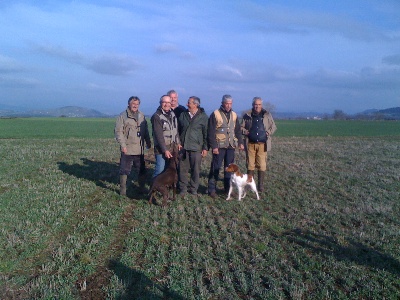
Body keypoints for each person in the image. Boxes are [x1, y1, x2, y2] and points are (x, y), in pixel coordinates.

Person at [207, 94, 244, 198]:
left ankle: (227, 189)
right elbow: (210, 132)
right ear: (222, 103)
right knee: (215, 168)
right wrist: (214, 146)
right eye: (226, 103)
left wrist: (240, 143)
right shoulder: (215, 114)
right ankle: (211, 190)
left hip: (231, 146)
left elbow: (237, 130)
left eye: (230, 103)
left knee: (230, 169)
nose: (228, 105)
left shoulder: (234, 115)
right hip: (219, 146)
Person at [115, 96, 151, 196]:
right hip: (128, 148)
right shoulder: (123, 116)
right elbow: (118, 132)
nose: (135, 105)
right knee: (124, 170)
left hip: (139, 149)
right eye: (133, 104)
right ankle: (123, 191)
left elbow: (146, 131)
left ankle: (142, 188)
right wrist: (123, 145)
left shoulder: (142, 115)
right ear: (128, 104)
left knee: (141, 170)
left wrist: (148, 142)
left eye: (137, 104)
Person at [241, 97, 277, 192]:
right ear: (253, 105)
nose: (257, 106)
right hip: (250, 144)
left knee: (262, 165)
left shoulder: (267, 115)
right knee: (250, 165)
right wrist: (246, 132)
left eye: (259, 104)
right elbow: (241, 127)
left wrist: (267, 133)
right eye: (255, 104)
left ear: (262, 105)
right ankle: (249, 184)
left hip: (262, 144)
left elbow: (273, 127)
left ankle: (260, 185)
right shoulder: (247, 115)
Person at [178, 96, 208, 196]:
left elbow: (206, 133)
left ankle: (193, 188)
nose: (187, 104)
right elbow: (178, 130)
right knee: (183, 169)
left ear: (196, 104)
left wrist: (205, 148)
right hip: (183, 147)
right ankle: (183, 189)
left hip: (196, 148)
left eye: (189, 102)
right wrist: (178, 142)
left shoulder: (203, 117)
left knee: (195, 170)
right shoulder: (183, 115)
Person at [151, 95, 181, 178]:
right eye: (164, 102)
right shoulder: (157, 116)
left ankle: (164, 186)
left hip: (173, 146)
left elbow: (175, 130)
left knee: (168, 168)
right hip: (161, 148)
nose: (166, 104)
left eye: (168, 102)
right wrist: (165, 150)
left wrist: (178, 142)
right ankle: (154, 187)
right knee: (160, 169)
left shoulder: (172, 114)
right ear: (160, 103)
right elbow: (158, 135)